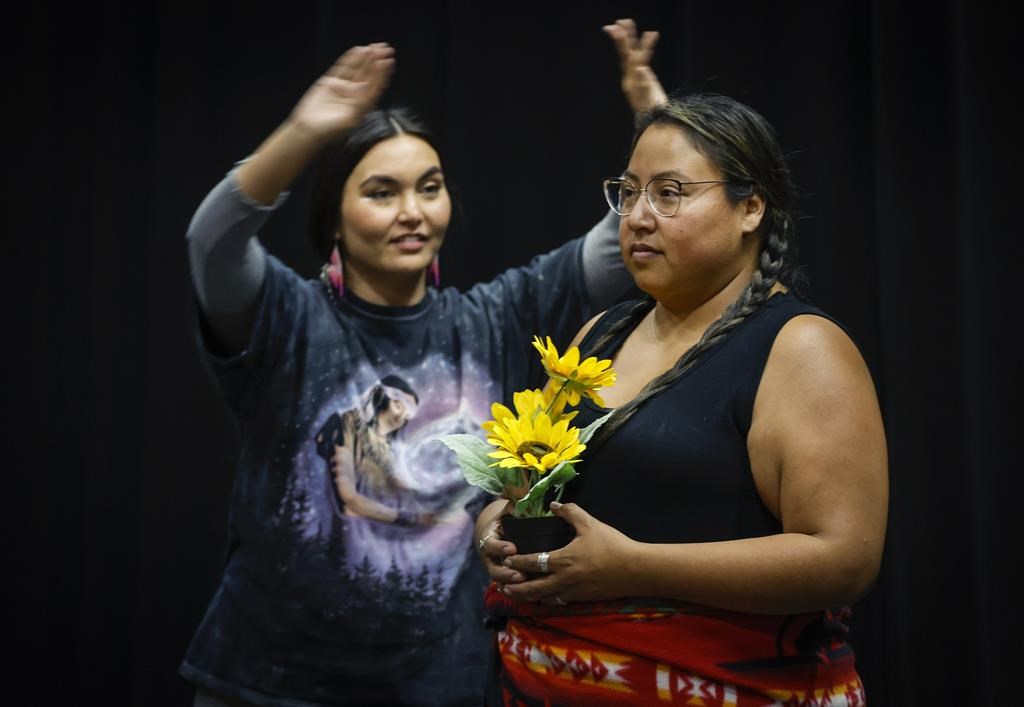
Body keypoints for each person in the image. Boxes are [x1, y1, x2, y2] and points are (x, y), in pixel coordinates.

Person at [182, 23, 660, 707]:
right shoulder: (287, 317)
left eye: (429, 187)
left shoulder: (494, 317)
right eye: (381, 192)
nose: (412, 212)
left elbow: (625, 239)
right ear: (336, 218)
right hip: (267, 683)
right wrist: (303, 130)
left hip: (441, 685)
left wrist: (653, 121)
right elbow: (212, 241)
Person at [475, 75, 889, 705]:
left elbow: (843, 559)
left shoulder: (801, 348)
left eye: (670, 194)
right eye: (630, 192)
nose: (638, 217)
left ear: (751, 208)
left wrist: (635, 566)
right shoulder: (598, 335)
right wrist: (494, 532)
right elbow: (525, 487)